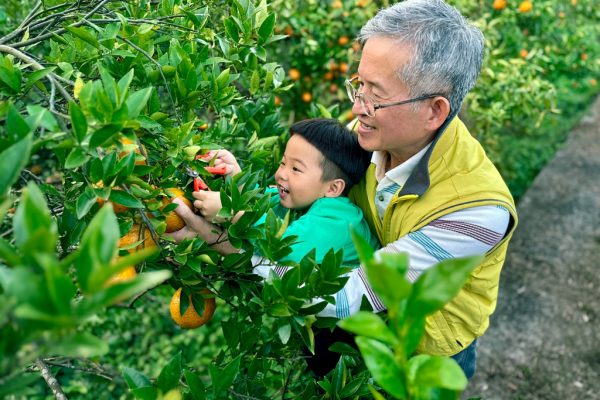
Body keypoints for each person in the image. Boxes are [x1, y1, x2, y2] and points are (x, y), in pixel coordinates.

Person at [323, 0, 517, 379]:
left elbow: (353, 295)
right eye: (358, 85)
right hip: (368, 332)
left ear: (434, 111)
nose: (358, 107)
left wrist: (248, 255)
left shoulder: (478, 211)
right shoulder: (369, 137)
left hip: (426, 357)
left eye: (375, 95)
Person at [170, 117, 379, 280]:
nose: (282, 174)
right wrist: (238, 179)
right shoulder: (299, 201)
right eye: (283, 163)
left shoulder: (340, 220)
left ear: (333, 188)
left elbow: (284, 247)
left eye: (296, 168)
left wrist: (232, 213)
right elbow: (266, 208)